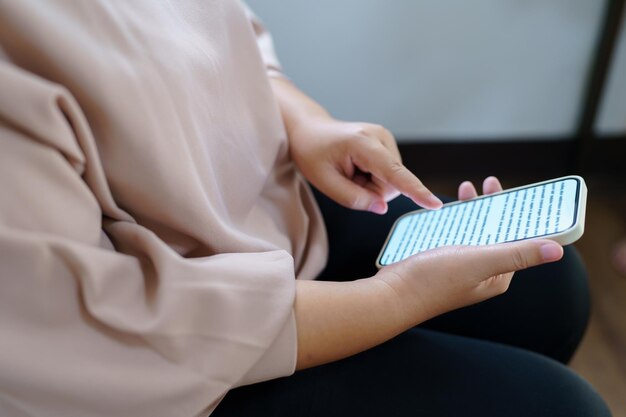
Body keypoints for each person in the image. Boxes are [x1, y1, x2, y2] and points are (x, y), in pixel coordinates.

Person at [0, 1, 610, 416]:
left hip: (262, 207)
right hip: (172, 343)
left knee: (553, 287)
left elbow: (226, 36)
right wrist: (395, 299)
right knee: (560, 407)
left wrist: (307, 122)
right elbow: (96, 326)